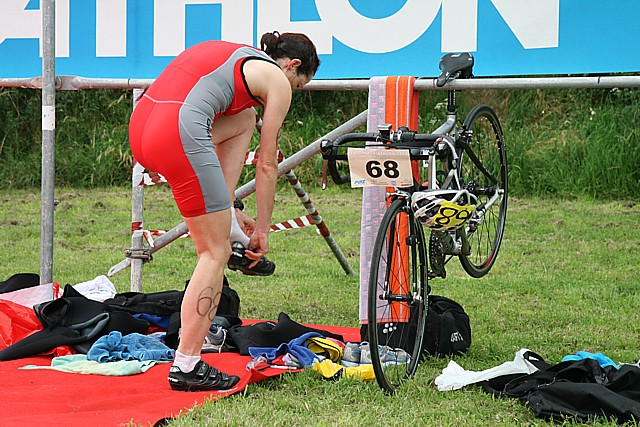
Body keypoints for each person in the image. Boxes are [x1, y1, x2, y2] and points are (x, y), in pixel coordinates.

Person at [128, 32, 320, 391]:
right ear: (292, 66)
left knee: (245, 119)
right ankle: (187, 365)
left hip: (142, 129)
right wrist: (263, 229)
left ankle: (228, 218)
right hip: (178, 131)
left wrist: (226, 208)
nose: (293, 91)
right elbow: (267, 164)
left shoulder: (240, 55)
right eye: (299, 84)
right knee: (213, 253)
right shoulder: (277, 81)